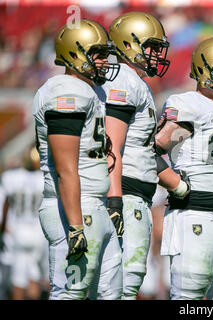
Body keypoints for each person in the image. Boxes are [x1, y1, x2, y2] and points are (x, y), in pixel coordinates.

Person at [96, 12, 188, 300]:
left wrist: (177, 184)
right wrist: (114, 198)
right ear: (128, 44)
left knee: (123, 281)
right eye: (151, 47)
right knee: (120, 283)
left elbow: (141, 149)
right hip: (125, 193)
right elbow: (111, 145)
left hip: (133, 192)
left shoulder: (136, 83)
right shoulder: (124, 80)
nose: (157, 54)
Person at [33, 19, 122, 299]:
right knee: (70, 294)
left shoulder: (91, 90)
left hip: (94, 204)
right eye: (97, 54)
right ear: (74, 54)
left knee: (111, 293)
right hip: (73, 207)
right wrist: (74, 227)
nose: (105, 61)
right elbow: (66, 168)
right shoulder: (65, 90)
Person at [156, 37, 213, 300]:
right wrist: (176, 184)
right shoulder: (189, 104)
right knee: (190, 298)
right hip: (195, 216)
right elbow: (153, 151)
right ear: (203, 69)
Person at [0, 146, 48, 300]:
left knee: (18, 278)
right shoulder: (45, 179)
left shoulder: (11, 176)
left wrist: (3, 229)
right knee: (34, 276)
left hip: (19, 231)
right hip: (39, 232)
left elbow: (6, 205)